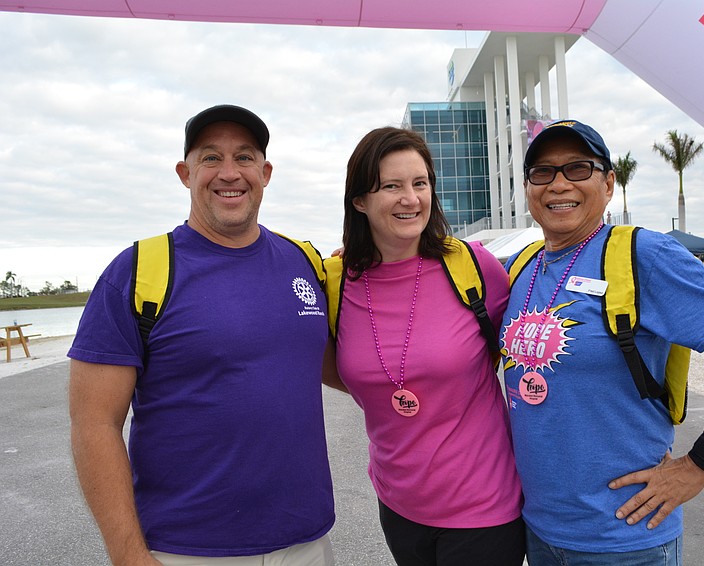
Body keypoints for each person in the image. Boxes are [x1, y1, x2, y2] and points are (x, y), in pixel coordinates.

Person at [502, 119, 704, 565]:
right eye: (543, 172)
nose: (559, 184)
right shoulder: (521, 266)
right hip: (539, 530)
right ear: (528, 188)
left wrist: (700, 465)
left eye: (578, 168)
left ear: (608, 184)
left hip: (625, 539)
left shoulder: (644, 255)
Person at [68, 105, 335, 566]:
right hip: (186, 550)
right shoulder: (139, 272)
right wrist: (129, 556)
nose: (229, 173)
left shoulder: (304, 262)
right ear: (185, 173)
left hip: (307, 542)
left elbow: (342, 364)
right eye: (211, 157)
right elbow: (94, 424)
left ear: (265, 173)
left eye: (244, 157)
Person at [322, 127, 525, 565]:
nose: (410, 199)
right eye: (391, 186)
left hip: (483, 505)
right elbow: (333, 368)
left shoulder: (473, 266)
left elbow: (526, 354)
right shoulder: (336, 281)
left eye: (420, 183)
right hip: (398, 504)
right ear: (359, 201)